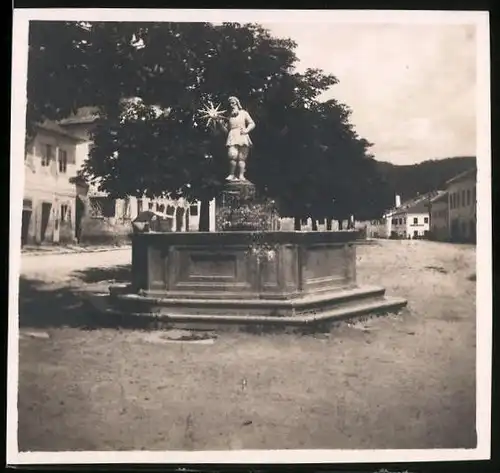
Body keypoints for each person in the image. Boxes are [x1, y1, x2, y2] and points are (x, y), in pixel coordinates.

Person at [218, 96, 255, 181]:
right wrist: (220, 124)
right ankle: (231, 175)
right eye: (230, 103)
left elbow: (252, 123)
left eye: (233, 103)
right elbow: (226, 130)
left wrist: (246, 130)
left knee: (242, 157)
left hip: (242, 135)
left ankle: (241, 175)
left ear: (237, 103)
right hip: (232, 136)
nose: (231, 105)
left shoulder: (244, 113)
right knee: (232, 155)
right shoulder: (229, 116)